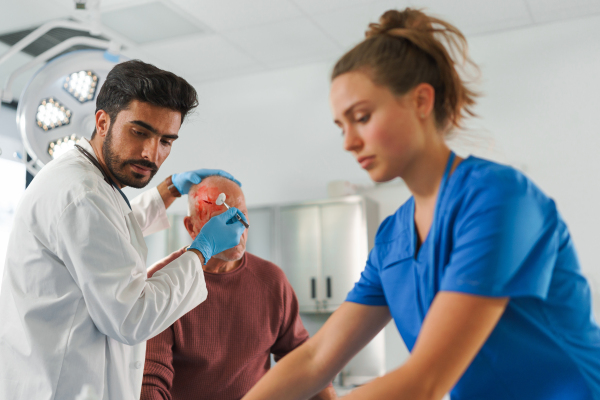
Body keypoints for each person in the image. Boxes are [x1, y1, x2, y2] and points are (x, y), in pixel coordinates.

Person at [241, 8, 600, 400]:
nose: (348, 141)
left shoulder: (498, 198)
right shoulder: (394, 237)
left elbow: (425, 380)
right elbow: (315, 359)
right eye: (341, 126)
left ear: (421, 101)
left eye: (361, 117)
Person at [0, 60, 247, 400]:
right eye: (140, 132)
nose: (152, 153)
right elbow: (133, 317)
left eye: (166, 140)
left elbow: (110, 232)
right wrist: (202, 250)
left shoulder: (87, 179)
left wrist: (169, 190)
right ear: (103, 121)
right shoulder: (82, 194)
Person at [142, 176, 337, 400]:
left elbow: (305, 362)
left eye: (241, 215)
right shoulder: (162, 283)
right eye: (220, 220)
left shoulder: (271, 281)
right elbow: (150, 384)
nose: (237, 228)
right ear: (191, 226)